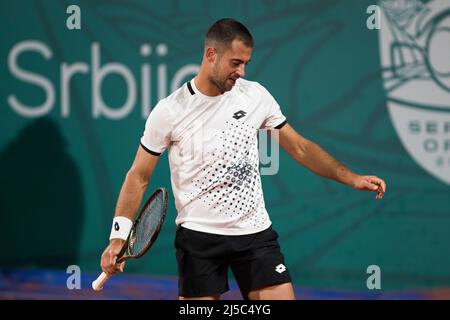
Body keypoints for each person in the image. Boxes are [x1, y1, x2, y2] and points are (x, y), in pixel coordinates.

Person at [100, 18, 386, 300]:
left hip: (255, 234)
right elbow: (138, 176)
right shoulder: (170, 111)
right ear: (211, 54)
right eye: (235, 63)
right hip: (199, 239)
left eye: (246, 63)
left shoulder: (255, 96)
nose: (241, 71)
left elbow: (300, 147)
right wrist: (118, 237)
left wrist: (352, 178)